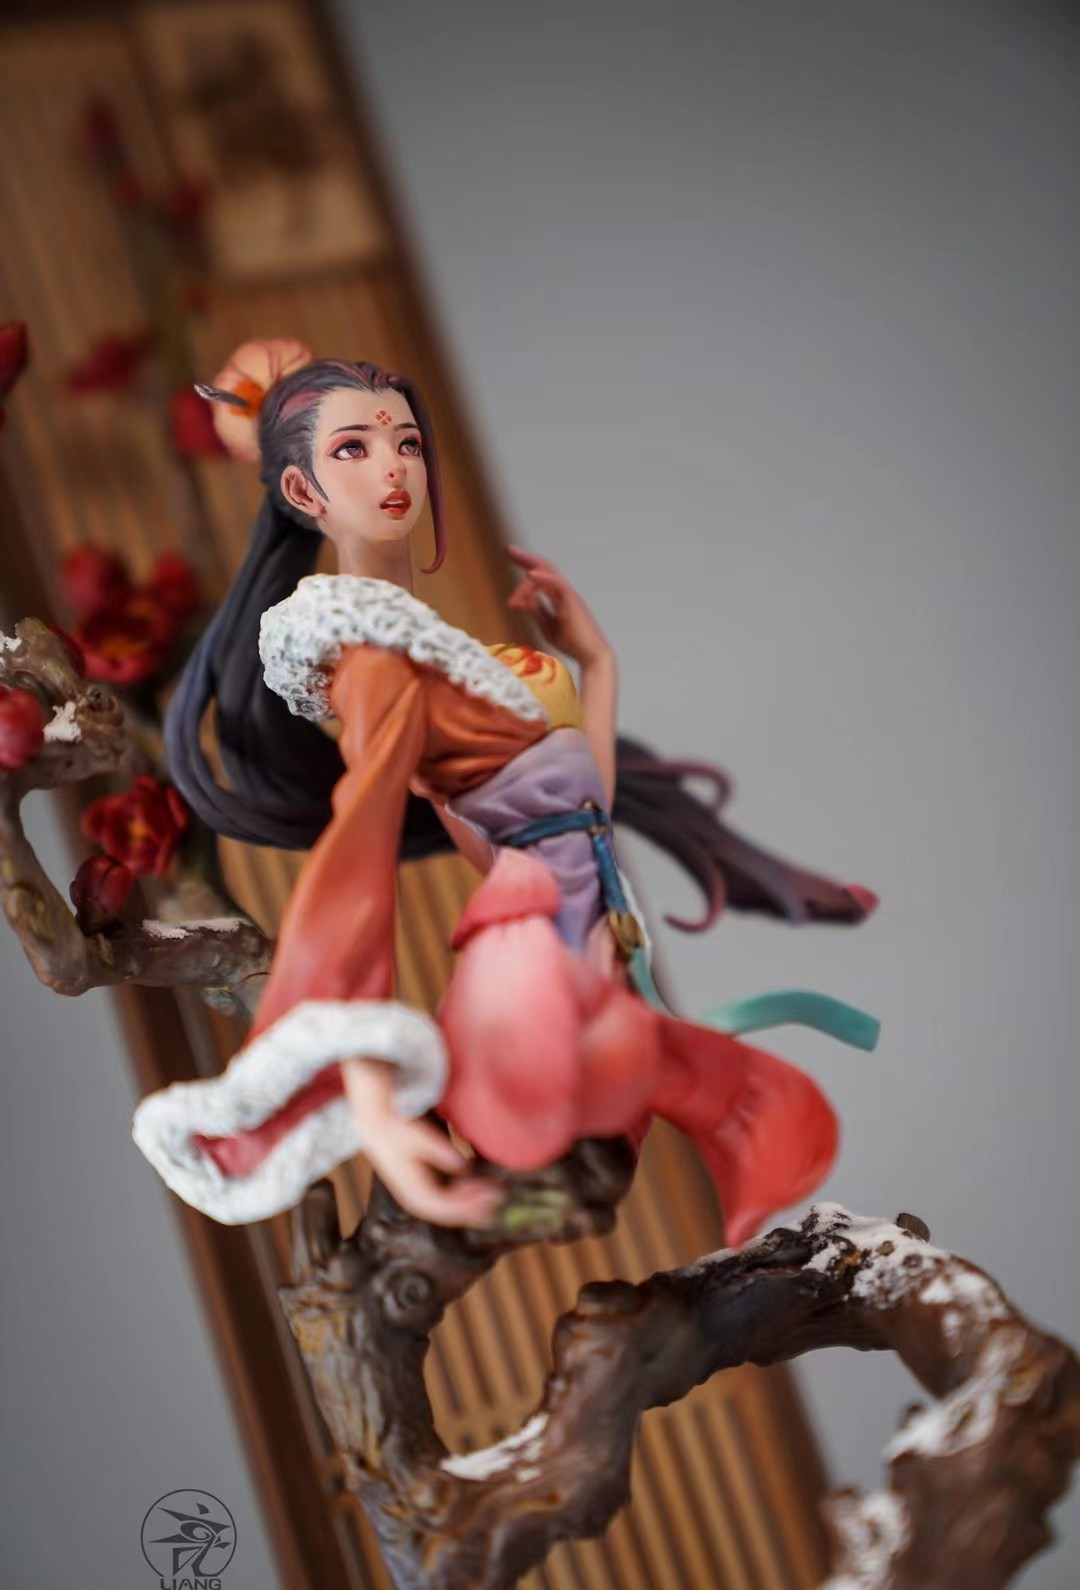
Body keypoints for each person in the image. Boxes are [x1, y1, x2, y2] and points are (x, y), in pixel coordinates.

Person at [133, 339, 879, 1239]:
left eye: (407, 442)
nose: (394, 466)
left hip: (590, 918)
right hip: (528, 934)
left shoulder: (448, 650)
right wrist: (370, 1103)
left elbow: (585, 799)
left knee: (638, 1110)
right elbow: (358, 855)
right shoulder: (372, 660)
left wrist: (597, 665)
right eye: (353, 449)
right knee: (567, 1097)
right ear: (304, 491)